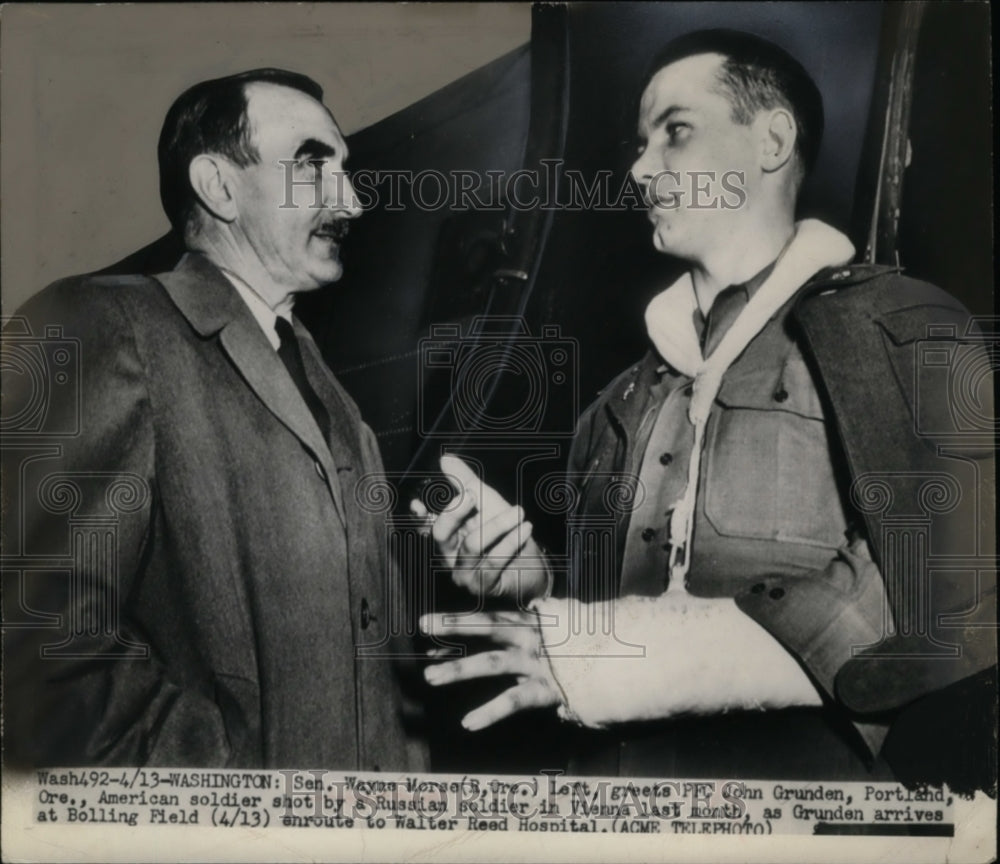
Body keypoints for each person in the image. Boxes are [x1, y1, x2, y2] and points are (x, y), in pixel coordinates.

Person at [419, 30, 995, 786]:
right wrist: (532, 585)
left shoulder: (909, 326)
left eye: (675, 132)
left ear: (773, 138)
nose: (638, 168)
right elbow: (595, 625)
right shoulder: (616, 405)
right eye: (639, 142)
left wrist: (621, 663)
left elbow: (950, 591)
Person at [2, 69, 425, 769]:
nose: (350, 199)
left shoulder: (335, 398)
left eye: (346, 171)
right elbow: (44, 656)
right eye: (314, 165)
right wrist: (229, 788)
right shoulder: (99, 325)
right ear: (219, 185)